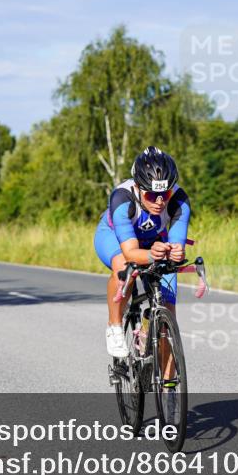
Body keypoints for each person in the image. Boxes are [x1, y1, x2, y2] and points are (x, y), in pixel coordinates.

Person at [93, 147, 191, 358]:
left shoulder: (179, 201)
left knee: (168, 313)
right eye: (152, 195)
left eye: (164, 194)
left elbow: (177, 245)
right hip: (114, 238)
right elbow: (130, 253)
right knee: (123, 266)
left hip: (154, 241)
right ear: (138, 187)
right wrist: (150, 255)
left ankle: (169, 385)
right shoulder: (122, 198)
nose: (159, 202)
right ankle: (114, 326)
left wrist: (175, 252)